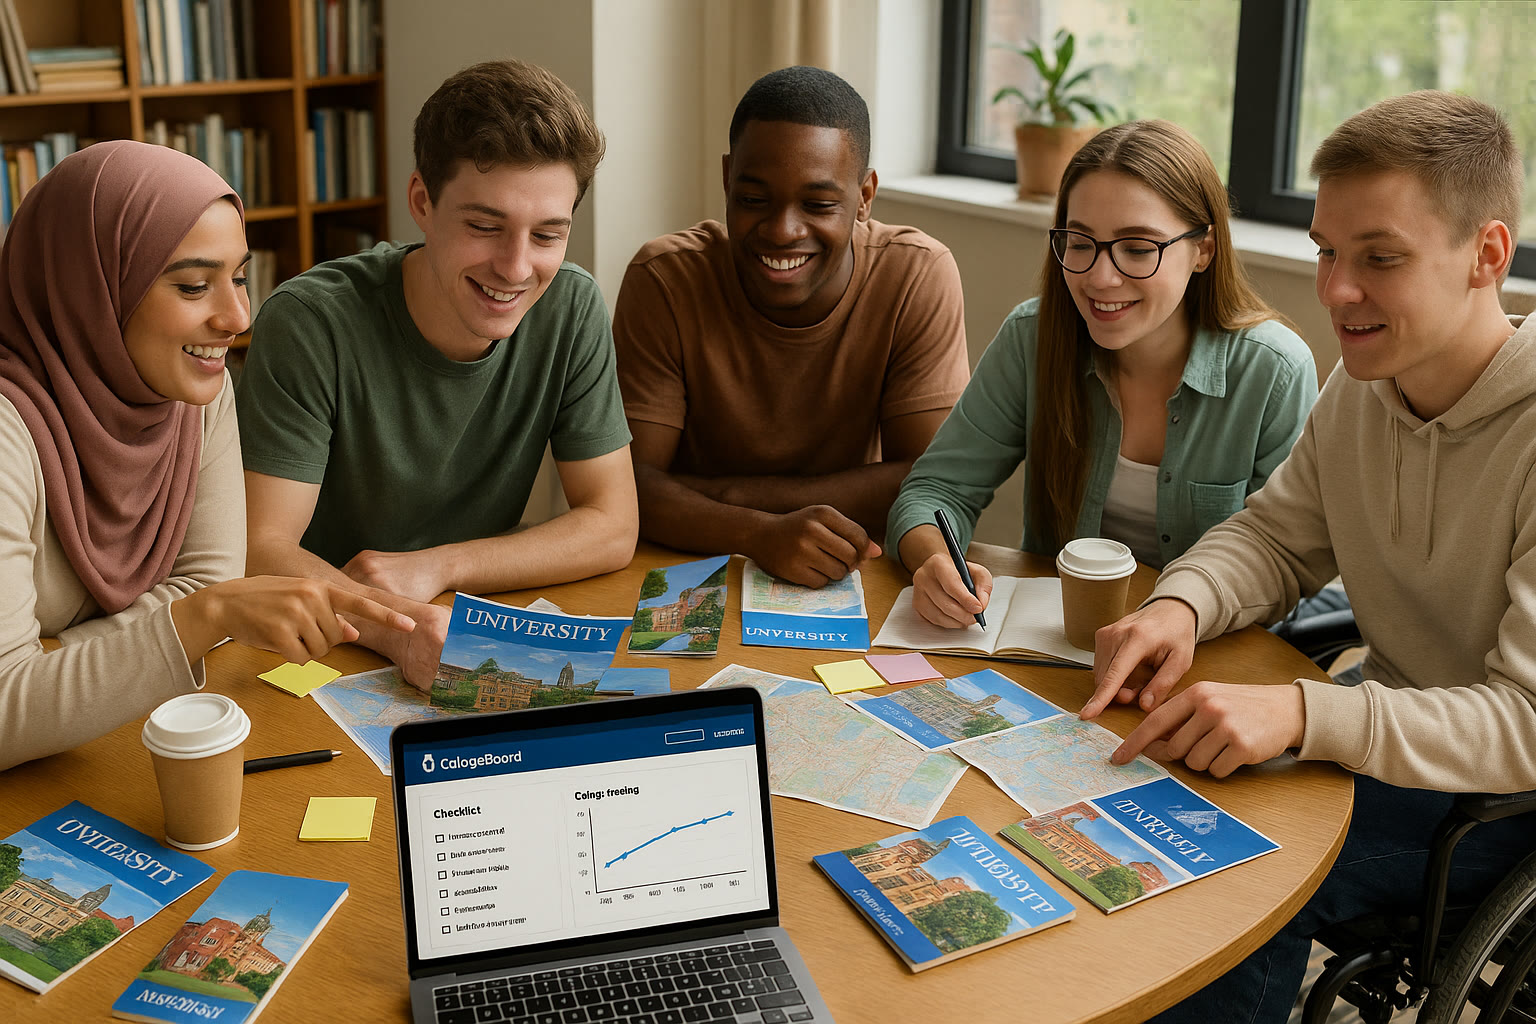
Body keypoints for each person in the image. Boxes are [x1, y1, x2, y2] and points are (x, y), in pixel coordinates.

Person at [1084, 92, 1536, 1023]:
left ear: (1488, 255)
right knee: (1136, 795)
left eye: (1379, 258)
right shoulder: (1364, 384)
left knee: (1231, 873)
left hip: (1504, 807)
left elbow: (1525, 724)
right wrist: (1181, 606)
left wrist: (1303, 712)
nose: (1333, 290)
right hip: (1392, 734)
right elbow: (1274, 536)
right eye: (1330, 251)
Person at [0, 142, 412, 771]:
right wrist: (200, 620)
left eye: (240, 277)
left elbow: (207, 579)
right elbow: (6, 713)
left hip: (111, 744)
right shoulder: (8, 430)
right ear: (92, 288)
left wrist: (54, 662)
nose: (238, 317)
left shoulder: (197, 395)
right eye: (194, 286)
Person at [238, 60, 638, 689]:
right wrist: (397, 628)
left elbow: (614, 526)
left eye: (547, 235)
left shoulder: (572, 305)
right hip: (315, 645)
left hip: (449, 625)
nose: (515, 267)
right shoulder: (308, 323)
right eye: (485, 226)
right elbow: (261, 550)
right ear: (422, 202)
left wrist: (438, 567)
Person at [888, 120, 1316, 629]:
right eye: (1080, 242)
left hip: (1214, 651)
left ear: (1203, 250)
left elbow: (1280, 563)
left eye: (1138, 249)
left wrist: (1171, 618)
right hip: (1058, 645)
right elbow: (936, 491)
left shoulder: (1274, 370)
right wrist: (933, 560)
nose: (1100, 276)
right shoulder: (1033, 338)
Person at [612, 65, 970, 588]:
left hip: (847, 564)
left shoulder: (915, 273)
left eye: (819, 204)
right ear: (726, 179)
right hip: (684, 566)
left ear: (865, 197)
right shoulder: (666, 279)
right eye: (754, 200)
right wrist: (757, 532)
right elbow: (629, 488)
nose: (782, 230)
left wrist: (728, 498)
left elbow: (928, 481)